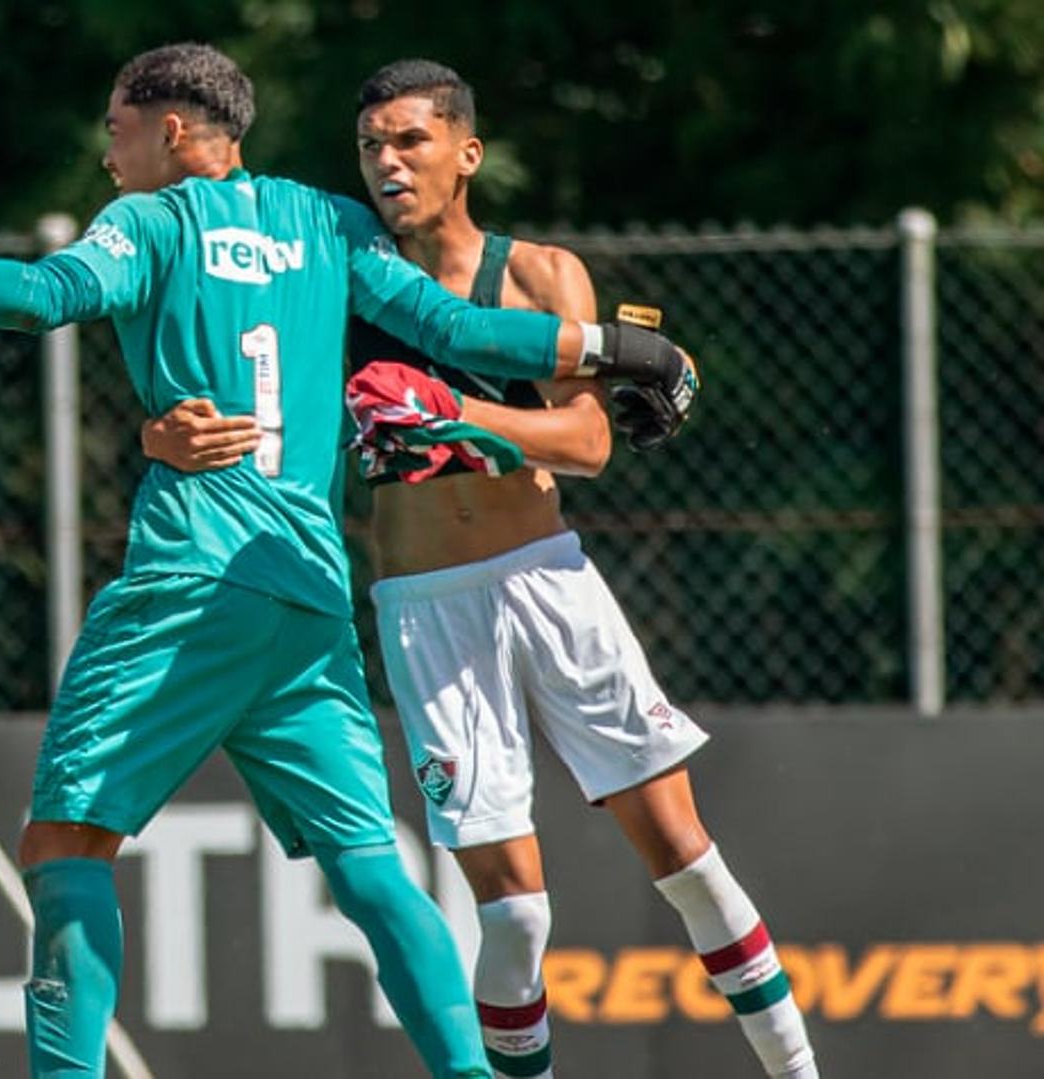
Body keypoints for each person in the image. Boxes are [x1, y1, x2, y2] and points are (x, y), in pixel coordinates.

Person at [0, 44, 698, 1079]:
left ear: (175, 131)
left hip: (189, 579)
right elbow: (462, 328)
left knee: (65, 848)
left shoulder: (152, 220)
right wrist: (618, 349)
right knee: (372, 868)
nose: (109, 156)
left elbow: (47, 291)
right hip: (310, 595)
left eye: (116, 129)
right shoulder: (330, 222)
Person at [142, 59, 816, 1079]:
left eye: (409, 141)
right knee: (516, 914)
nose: (386, 163)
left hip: (546, 577)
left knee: (685, 855)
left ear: (467, 152)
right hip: (424, 607)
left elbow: (587, 444)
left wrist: (456, 414)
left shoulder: (540, 274)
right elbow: (253, 383)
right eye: (371, 146)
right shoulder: (341, 273)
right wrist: (166, 434)